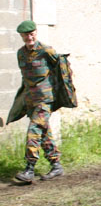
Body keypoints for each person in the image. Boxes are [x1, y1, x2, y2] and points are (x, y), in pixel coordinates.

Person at [13, 20, 64, 183]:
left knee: (34, 131)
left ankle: (29, 168)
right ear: (21, 36)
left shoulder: (46, 50)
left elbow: (61, 70)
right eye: (26, 35)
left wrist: (59, 94)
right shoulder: (21, 53)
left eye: (31, 33)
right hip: (31, 100)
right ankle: (56, 165)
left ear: (35, 33)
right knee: (44, 132)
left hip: (45, 99)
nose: (29, 37)